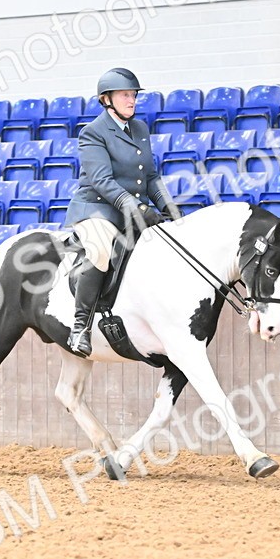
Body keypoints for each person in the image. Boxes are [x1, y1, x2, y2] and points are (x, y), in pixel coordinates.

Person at [62, 67, 181, 357]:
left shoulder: (140, 129)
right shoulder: (92, 132)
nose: (132, 100)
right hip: (96, 210)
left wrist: (172, 211)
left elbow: (150, 177)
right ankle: (81, 327)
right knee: (101, 251)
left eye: (133, 95)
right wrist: (138, 207)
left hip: (131, 210)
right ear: (106, 99)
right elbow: (102, 181)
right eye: (125, 95)